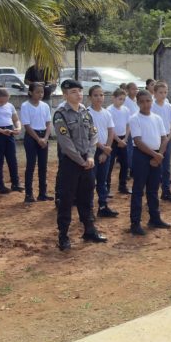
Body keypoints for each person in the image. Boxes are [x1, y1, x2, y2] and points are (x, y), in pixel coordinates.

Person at [53, 78, 106, 251]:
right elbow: (65, 142)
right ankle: (63, 236)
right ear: (65, 94)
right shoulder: (61, 114)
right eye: (74, 92)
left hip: (87, 161)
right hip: (71, 162)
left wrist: (90, 156)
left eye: (80, 91)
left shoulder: (85, 112)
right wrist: (81, 160)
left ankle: (89, 230)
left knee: (87, 196)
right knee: (67, 199)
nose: (79, 94)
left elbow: (94, 134)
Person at [126, 90, 171, 235]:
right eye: (142, 102)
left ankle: (154, 218)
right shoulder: (135, 118)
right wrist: (155, 156)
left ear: (151, 101)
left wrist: (159, 155)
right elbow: (137, 141)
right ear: (138, 103)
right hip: (141, 156)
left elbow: (164, 138)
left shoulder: (157, 118)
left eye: (148, 101)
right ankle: (135, 223)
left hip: (157, 155)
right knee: (139, 189)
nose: (146, 104)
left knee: (153, 189)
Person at [89, 85, 118, 218]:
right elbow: (88, 135)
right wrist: (102, 148)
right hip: (92, 151)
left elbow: (111, 131)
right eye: (95, 95)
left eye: (101, 95)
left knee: (103, 180)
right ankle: (88, 209)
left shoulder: (107, 113)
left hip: (105, 151)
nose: (99, 98)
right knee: (90, 181)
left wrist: (106, 151)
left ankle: (103, 206)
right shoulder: (87, 113)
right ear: (90, 97)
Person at [20, 82, 52, 202]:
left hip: (44, 135)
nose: (40, 94)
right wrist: (38, 139)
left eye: (42, 92)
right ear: (30, 92)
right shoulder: (25, 106)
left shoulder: (45, 106)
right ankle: (29, 194)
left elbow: (48, 123)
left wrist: (46, 138)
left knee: (43, 166)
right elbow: (27, 125)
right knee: (31, 165)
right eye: (37, 92)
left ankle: (42, 193)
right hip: (32, 137)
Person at [152, 81, 171, 203]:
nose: (163, 95)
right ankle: (152, 192)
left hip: (167, 138)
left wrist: (169, 137)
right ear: (155, 93)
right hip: (155, 139)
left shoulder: (169, 106)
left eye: (165, 92)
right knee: (154, 166)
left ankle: (166, 191)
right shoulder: (151, 106)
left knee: (166, 167)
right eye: (160, 92)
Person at [109, 88, 133, 195]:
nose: (121, 101)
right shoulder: (109, 110)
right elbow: (110, 128)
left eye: (123, 99)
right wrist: (118, 140)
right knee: (109, 164)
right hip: (112, 139)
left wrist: (125, 139)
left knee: (125, 163)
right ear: (113, 98)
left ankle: (122, 186)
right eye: (120, 99)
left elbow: (128, 125)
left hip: (123, 139)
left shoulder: (126, 110)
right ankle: (107, 187)